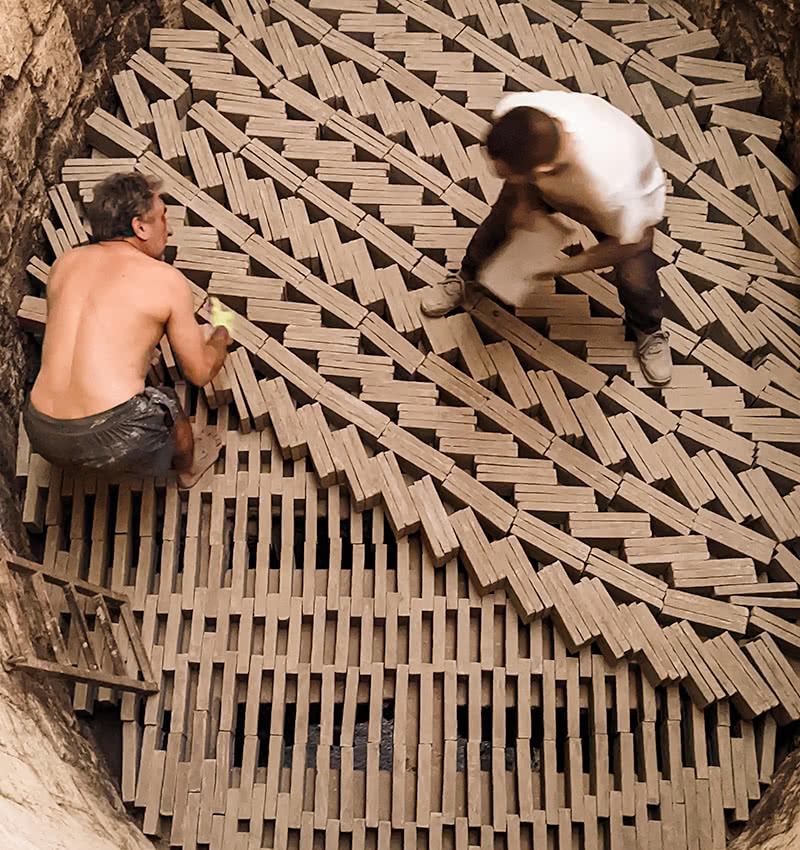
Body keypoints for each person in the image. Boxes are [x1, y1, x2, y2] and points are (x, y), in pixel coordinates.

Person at [422, 91, 672, 385]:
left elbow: (630, 244)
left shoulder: (615, 187)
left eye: (509, 175)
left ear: (541, 171)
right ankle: (467, 277)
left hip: (616, 212)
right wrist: (523, 204)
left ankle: (649, 330)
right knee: (501, 220)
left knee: (635, 275)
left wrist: (560, 267)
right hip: (548, 176)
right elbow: (518, 176)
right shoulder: (515, 112)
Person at [24, 172, 232, 488]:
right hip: (115, 435)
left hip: (41, 432)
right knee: (166, 403)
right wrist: (220, 336)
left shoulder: (65, 264)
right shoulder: (165, 279)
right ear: (140, 227)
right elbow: (200, 372)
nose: (169, 229)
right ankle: (189, 469)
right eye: (162, 217)